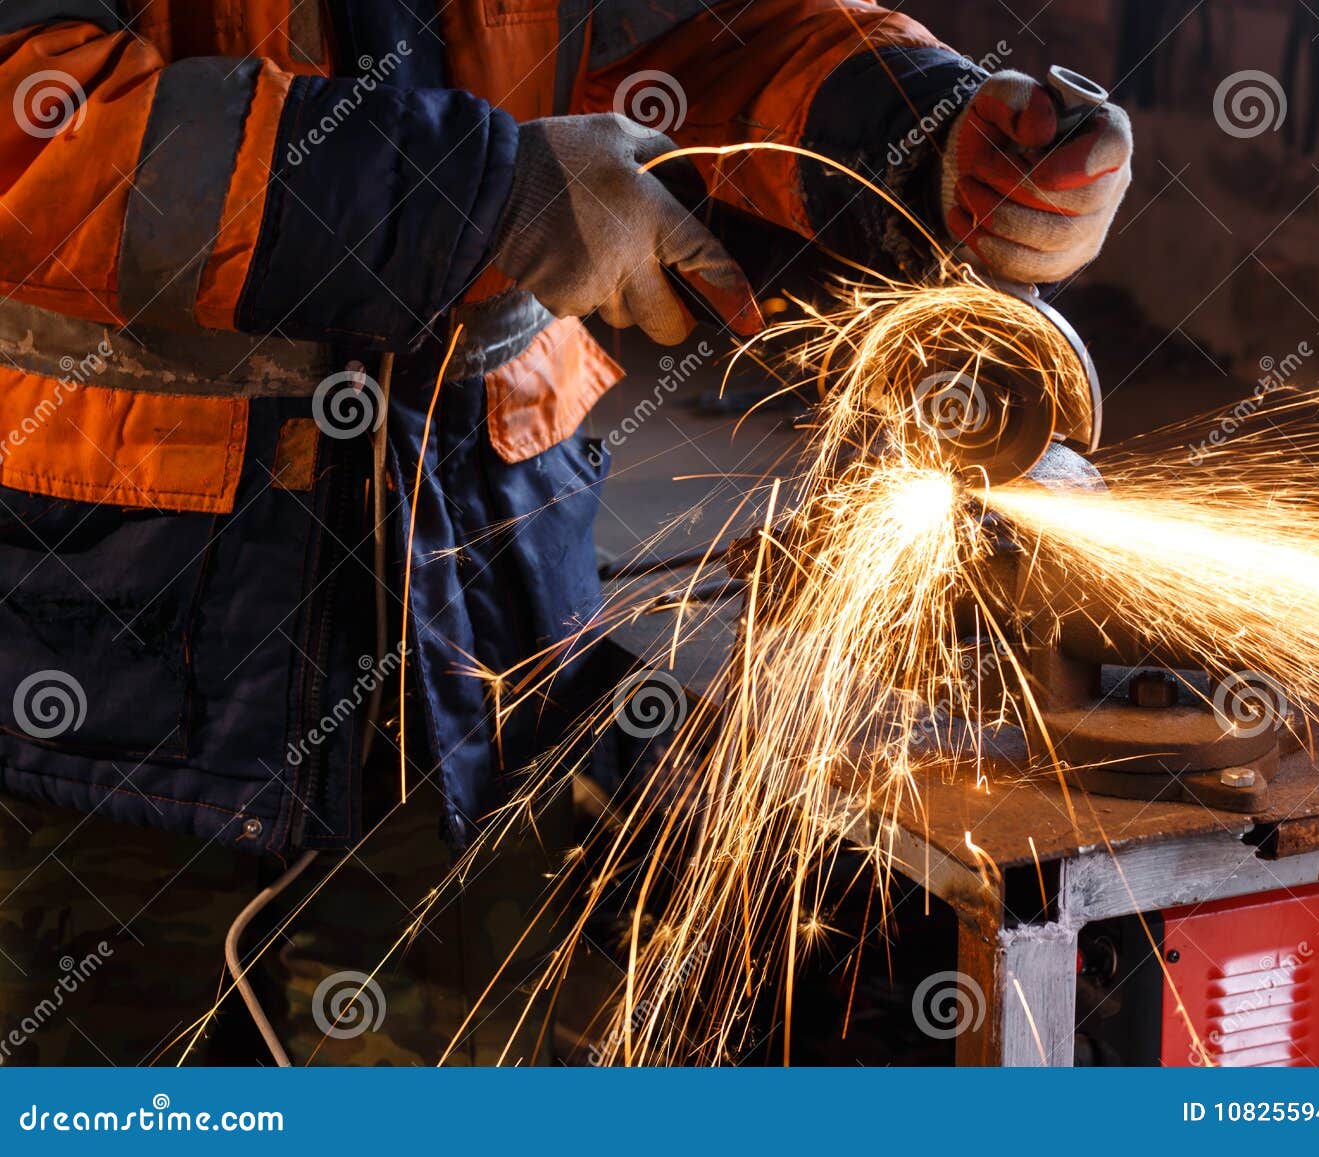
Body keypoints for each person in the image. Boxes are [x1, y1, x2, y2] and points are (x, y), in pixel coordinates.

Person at [0, 0, 1132, 1064]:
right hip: (109, 636)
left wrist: (916, 125)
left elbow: (697, 29)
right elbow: (34, 121)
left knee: (457, 1039)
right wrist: (481, 200)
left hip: (482, 598)